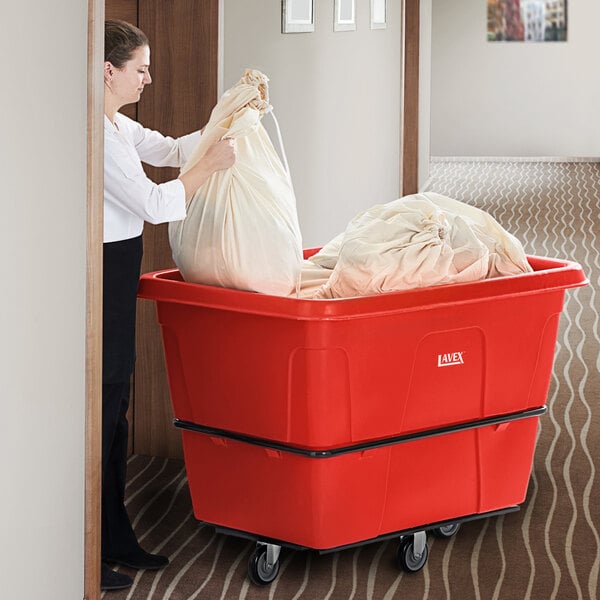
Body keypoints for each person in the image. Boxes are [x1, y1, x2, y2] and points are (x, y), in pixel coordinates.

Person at [101, 19, 236, 592]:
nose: (150, 78)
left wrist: (232, 118)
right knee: (102, 412)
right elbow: (157, 204)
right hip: (100, 277)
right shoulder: (93, 133)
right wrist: (208, 169)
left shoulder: (117, 125)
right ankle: (91, 543)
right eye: (141, 68)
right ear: (109, 70)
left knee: (118, 406)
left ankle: (115, 536)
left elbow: (173, 148)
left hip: (118, 269)